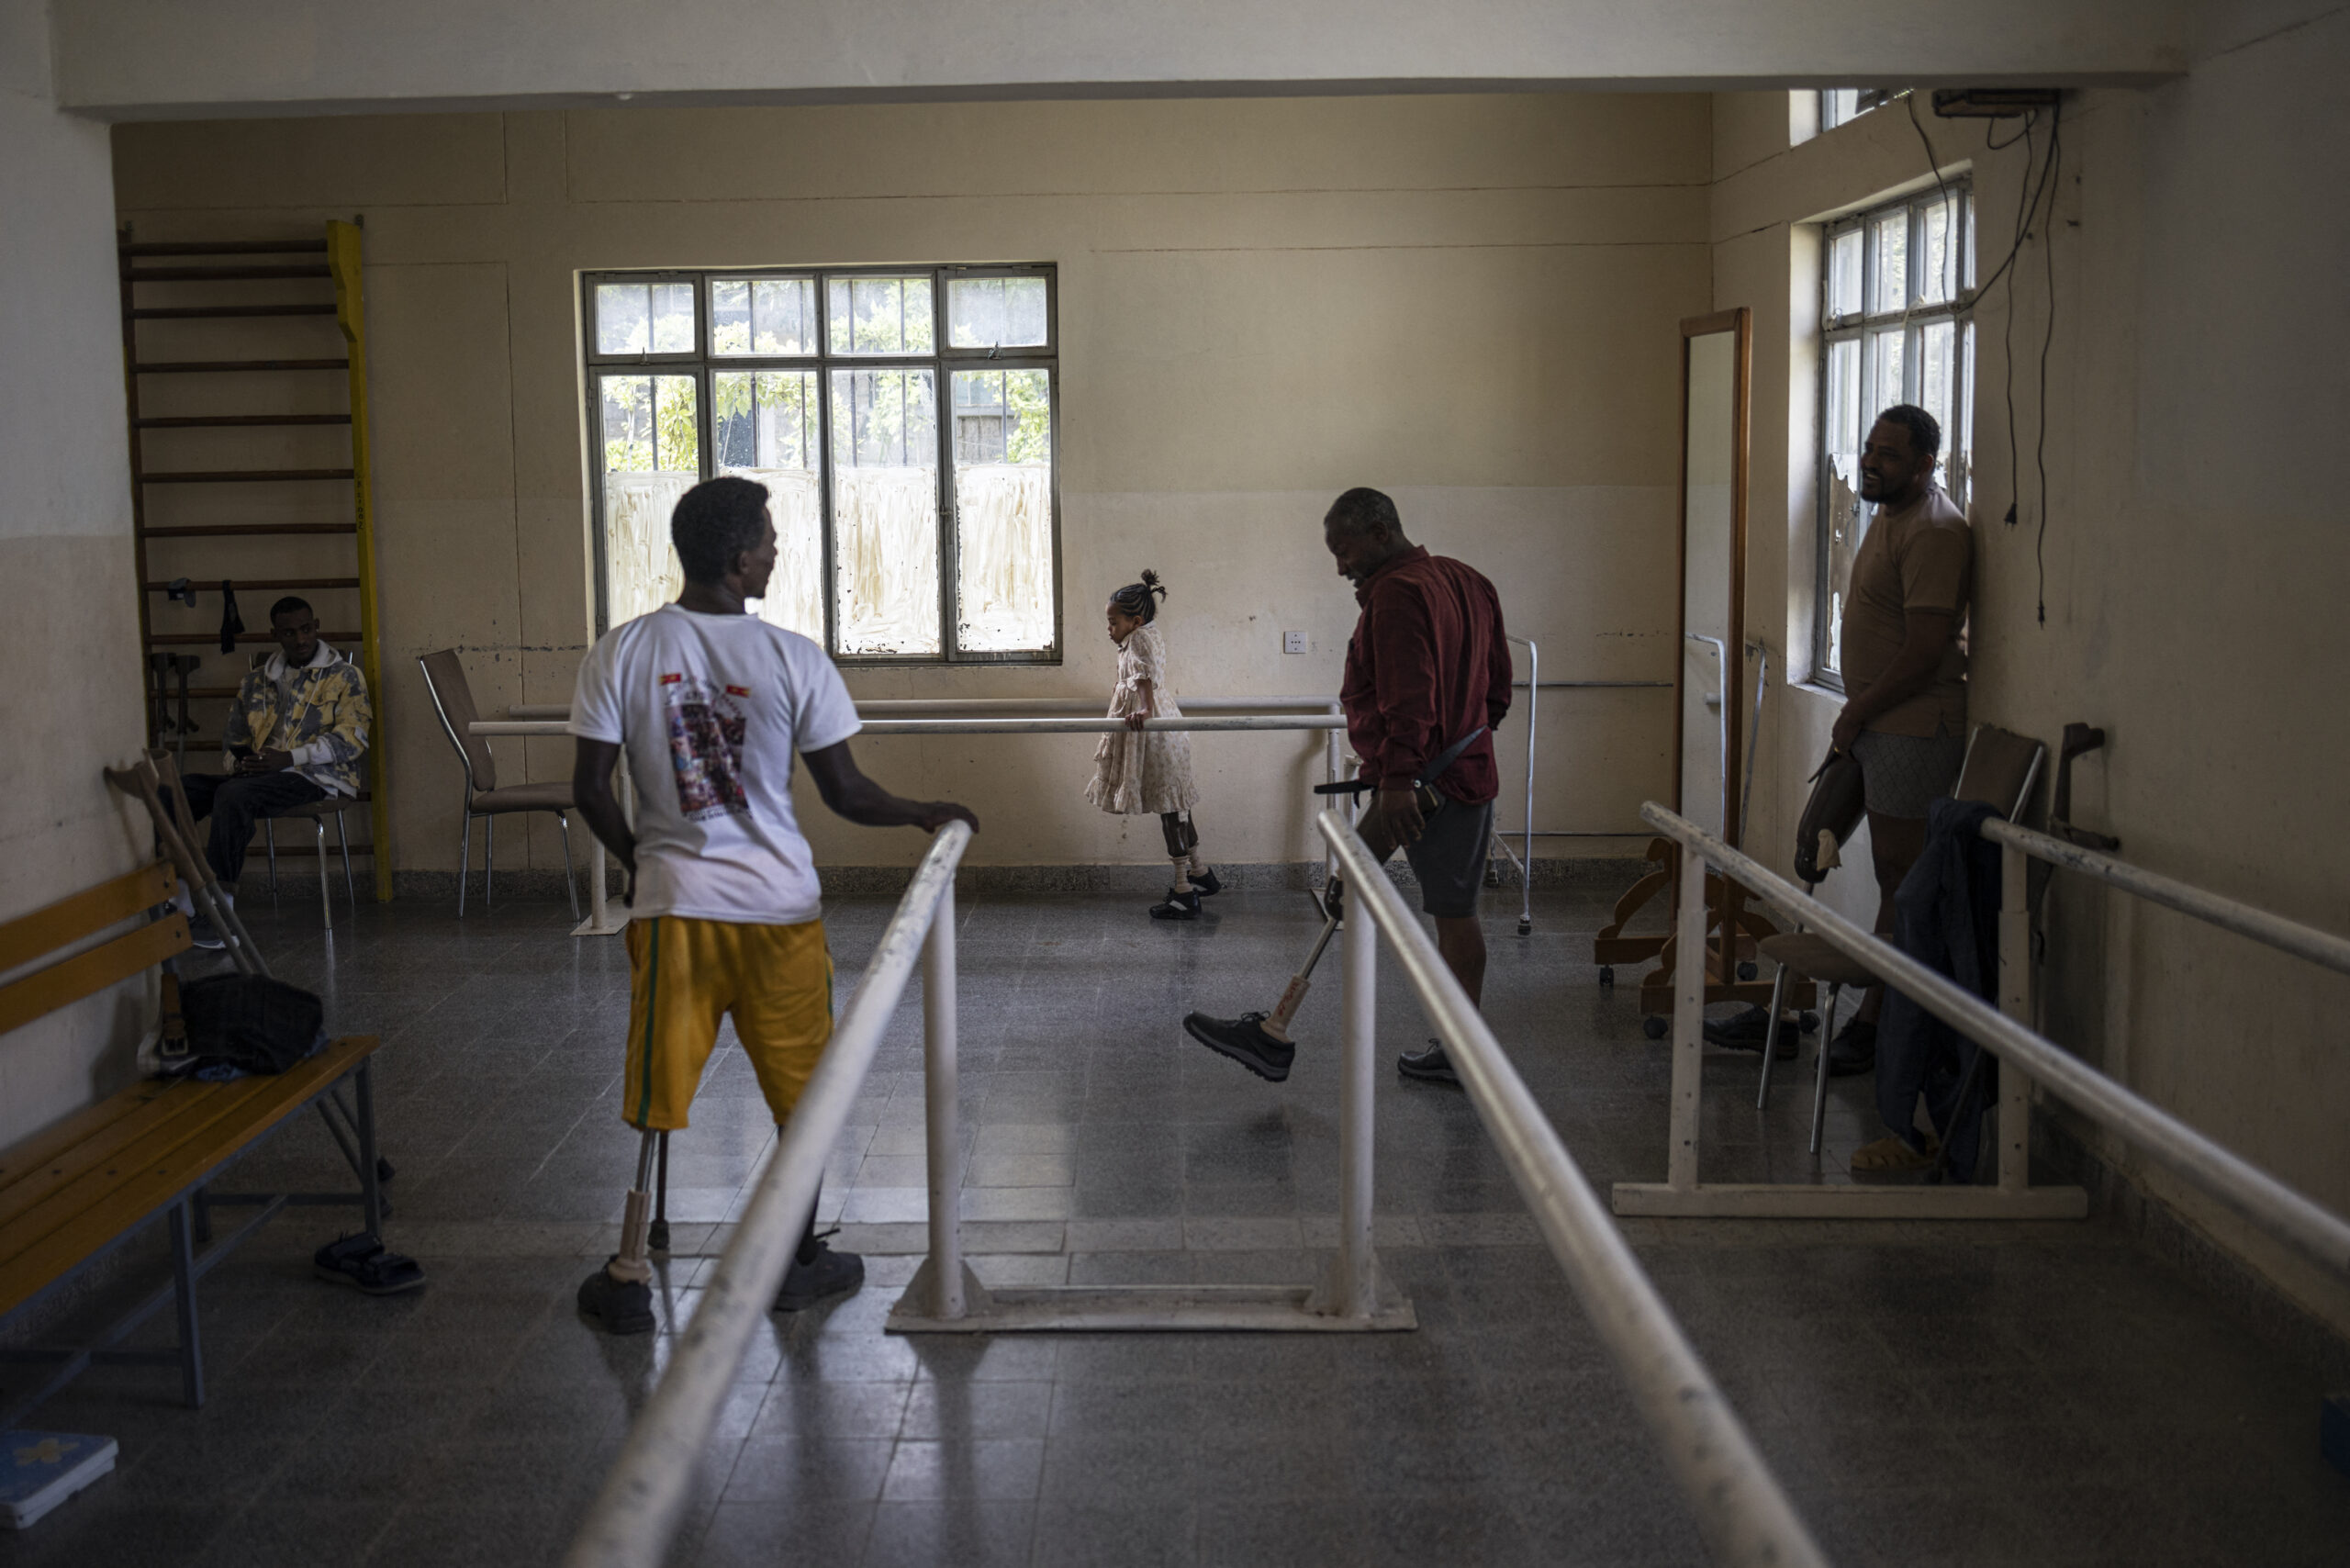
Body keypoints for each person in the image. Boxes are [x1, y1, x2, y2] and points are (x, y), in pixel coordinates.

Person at [568, 476, 979, 1336]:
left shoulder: (623, 650)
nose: (775, 551)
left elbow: (591, 790)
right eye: (766, 538)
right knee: (806, 1094)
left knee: (659, 1082)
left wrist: (645, 866)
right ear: (734, 557)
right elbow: (846, 793)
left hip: (675, 912)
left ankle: (630, 1269)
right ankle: (797, 1262)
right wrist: (920, 811)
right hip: (781, 915)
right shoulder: (794, 658)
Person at [1186, 487, 1510, 1088]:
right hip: (1461, 773)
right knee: (1359, 891)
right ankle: (1275, 1031)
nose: (1339, 565)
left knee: (1448, 912)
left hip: (1417, 785)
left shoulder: (1396, 594)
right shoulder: (1469, 580)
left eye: (1345, 548)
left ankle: (1462, 1052)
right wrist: (1457, 744)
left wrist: (1397, 782)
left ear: (1382, 530)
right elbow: (1498, 691)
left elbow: (1408, 696)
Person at [1824, 404, 1974, 1086]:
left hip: (1913, 728)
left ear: (1925, 465)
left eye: (1888, 455)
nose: (1871, 463)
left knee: (1904, 884)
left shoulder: (1936, 531)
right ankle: (1881, 1021)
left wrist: (1856, 712)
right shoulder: (1890, 516)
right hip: (1883, 728)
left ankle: (1881, 1025)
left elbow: (1922, 653)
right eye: (1869, 449)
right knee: (1892, 877)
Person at [167, 597, 370, 946]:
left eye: (306, 629)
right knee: (179, 790)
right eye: (289, 633)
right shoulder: (256, 681)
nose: (301, 639)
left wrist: (290, 758)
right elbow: (233, 738)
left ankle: (221, 912)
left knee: (233, 796)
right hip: (260, 776)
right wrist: (243, 764)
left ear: (317, 626)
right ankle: (182, 891)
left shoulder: (345, 677)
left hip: (319, 778)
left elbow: (353, 740)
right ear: (274, 634)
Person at [1085, 570, 1219, 920]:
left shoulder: (1141, 640)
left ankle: (1184, 891)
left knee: (1171, 810)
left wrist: (1144, 708)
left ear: (1136, 620)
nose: (1109, 628)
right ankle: (1201, 873)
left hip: (1157, 732)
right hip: (1165, 728)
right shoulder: (1145, 635)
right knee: (1176, 806)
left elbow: (1145, 676)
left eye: (1113, 621)